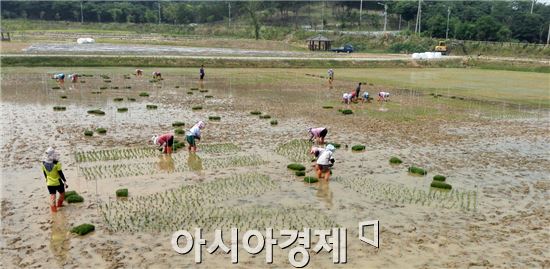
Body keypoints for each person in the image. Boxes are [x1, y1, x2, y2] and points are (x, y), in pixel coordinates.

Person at [41, 147, 68, 213]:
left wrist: (47, 180)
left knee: (52, 196)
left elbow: (45, 174)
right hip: (58, 182)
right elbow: (60, 173)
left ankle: (54, 210)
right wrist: (65, 181)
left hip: (49, 183)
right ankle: (59, 205)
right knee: (62, 194)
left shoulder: (43, 164)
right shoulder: (57, 164)